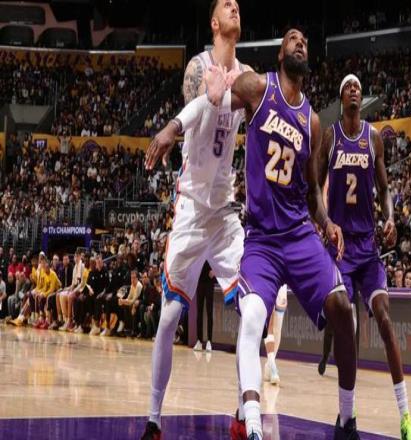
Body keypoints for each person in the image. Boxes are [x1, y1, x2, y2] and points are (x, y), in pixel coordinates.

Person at [206, 28, 357, 439]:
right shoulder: (258, 87)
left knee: (343, 308)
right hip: (262, 239)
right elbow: (217, 103)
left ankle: (347, 419)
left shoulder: (312, 121)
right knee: (254, 316)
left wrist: (327, 222)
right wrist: (211, 96)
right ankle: (253, 423)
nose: (300, 42)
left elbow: (312, 190)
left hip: (300, 234)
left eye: (305, 40)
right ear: (280, 54)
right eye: (292, 38)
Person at [141, 1, 248, 438]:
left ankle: (244, 413)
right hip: (190, 206)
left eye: (237, 4)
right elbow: (198, 115)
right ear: (214, 22)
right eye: (226, 3)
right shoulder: (197, 67)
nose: (235, 5)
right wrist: (179, 120)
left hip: (224, 212)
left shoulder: (247, 75)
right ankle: (153, 418)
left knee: (252, 307)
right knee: (169, 316)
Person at [320, 74, 411, 440]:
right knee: (347, 328)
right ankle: (347, 412)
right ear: (341, 96)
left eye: (358, 88)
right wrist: (325, 221)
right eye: (348, 86)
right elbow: (314, 185)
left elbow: (385, 189)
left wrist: (390, 217)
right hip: (340, 248)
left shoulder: (373, 138)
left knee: (385, 320)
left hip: (368, 246)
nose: (354, 90)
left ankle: (406, 417)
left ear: (362, 99)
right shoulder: (330, 136)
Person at [263, 284, 287, 385]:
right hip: (267, 282)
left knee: (277, 330)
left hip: (281, 285)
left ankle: (269, 366)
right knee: (270, 325)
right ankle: (273, 368)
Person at [193, 262, 216, 352]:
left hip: (209, 281)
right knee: (199, 312)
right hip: (200, 281)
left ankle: (209, 341)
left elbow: (217, 260)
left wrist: (215, 270)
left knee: (209, 312)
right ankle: (199, 341)